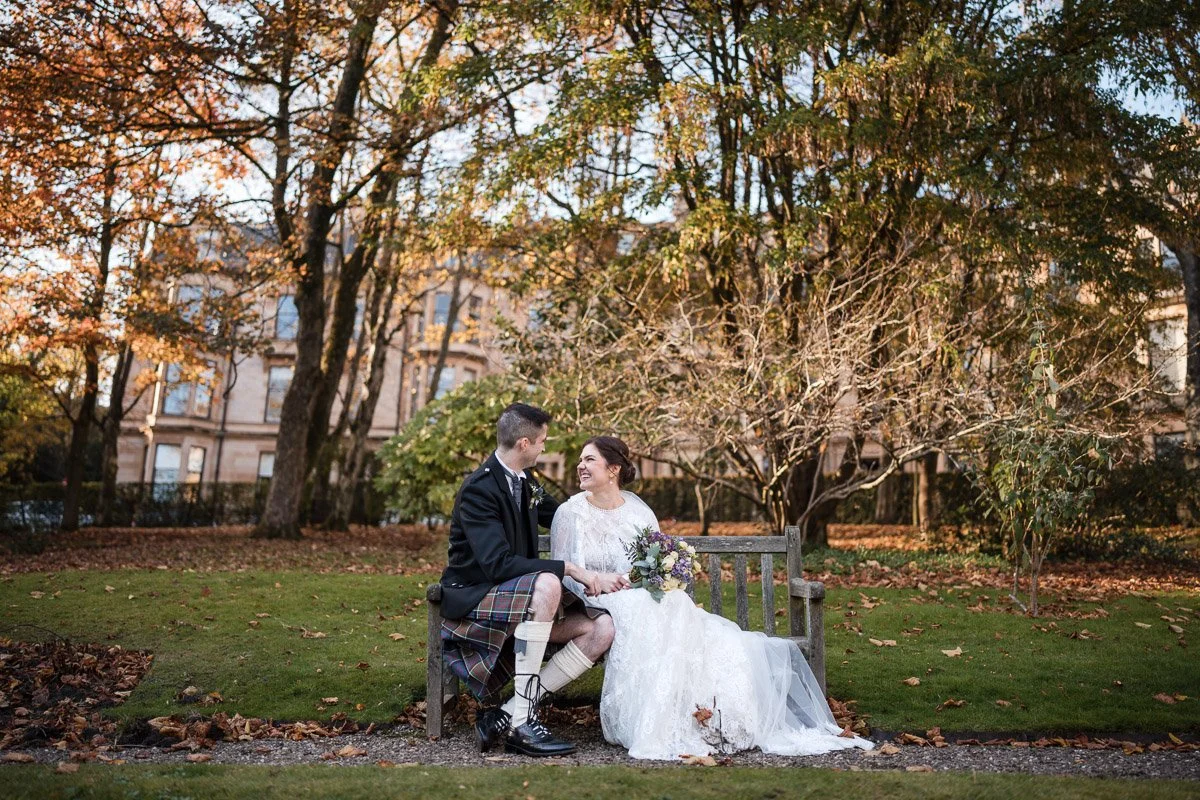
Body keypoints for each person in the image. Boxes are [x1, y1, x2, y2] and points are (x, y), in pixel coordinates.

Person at [549, 435, 874, 760]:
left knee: (680, 608)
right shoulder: (570, 512)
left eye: (589, 459)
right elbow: (563, 570)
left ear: (614, 469)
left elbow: (653, 560)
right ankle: (666, 717)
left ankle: (703, 716)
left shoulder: (637, 511)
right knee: (670, 608)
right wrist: (597, 583)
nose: (580, 466)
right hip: (599, 604)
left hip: (641, 597)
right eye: (580, 460)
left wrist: (653, 578)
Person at [438, 404, 628, 757]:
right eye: (542, 441)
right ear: (525, 443)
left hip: (519, 602)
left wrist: (615, 516)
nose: (545, 447)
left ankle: (508, 715)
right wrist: (572, 569)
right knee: (549, 582)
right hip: (476, 600)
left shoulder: (526, 482)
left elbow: (565, 515)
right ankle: (523, 725)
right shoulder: (479, 489)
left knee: (602, 628)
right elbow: (497, 564)